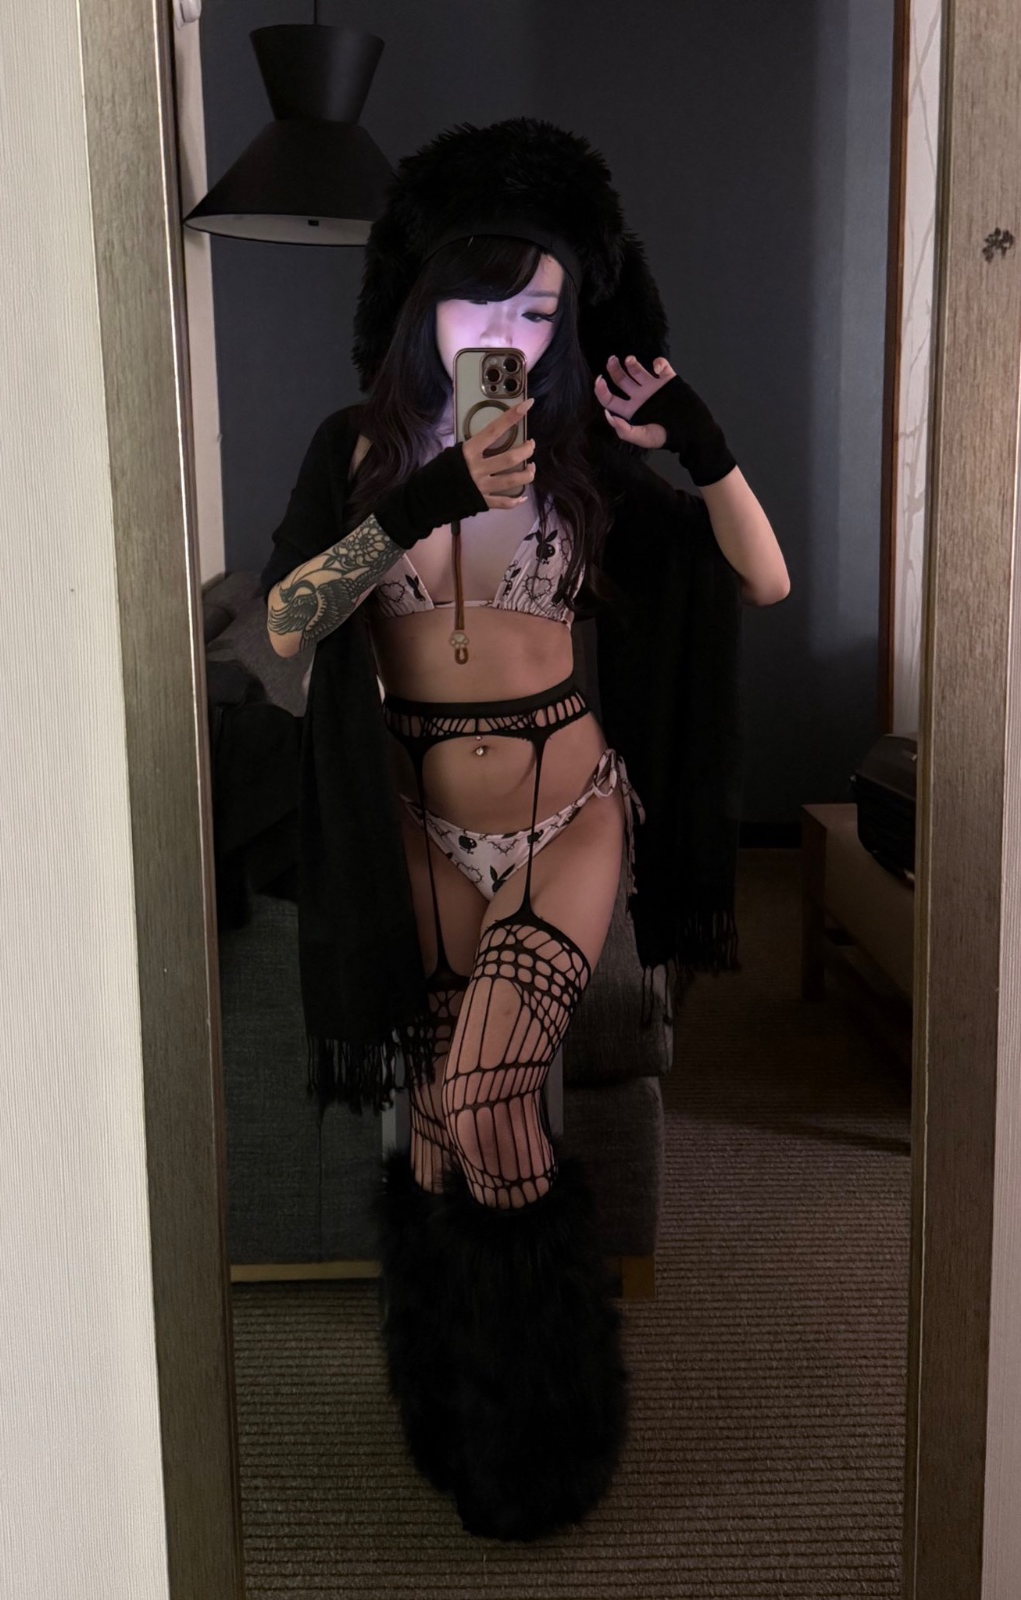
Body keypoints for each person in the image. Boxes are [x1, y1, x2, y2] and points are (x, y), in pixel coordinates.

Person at [258, 118, 789, 1541]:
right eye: (480, 300)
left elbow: (761, 580)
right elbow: (290, 622)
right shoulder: (353, 449)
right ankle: (454, 1401)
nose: (507, 334)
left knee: (492, 1097)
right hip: (416, 822)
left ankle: (550, 1433)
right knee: (440, 1125)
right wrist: (428, 496)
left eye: (540, 310)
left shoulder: (577, 455)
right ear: (419, 300)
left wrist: (702, 448)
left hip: (566, 809)